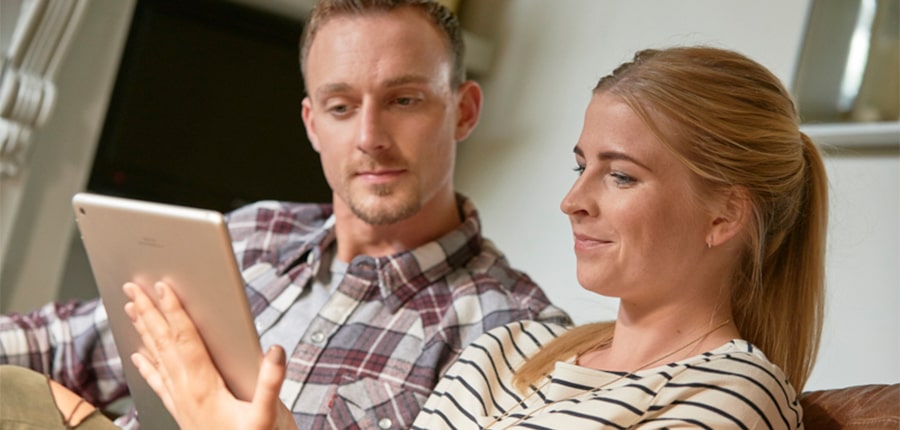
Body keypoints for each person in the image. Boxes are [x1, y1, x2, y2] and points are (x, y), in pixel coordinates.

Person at [0, 0, 569, 428]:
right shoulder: (253, 232)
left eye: (404, 100)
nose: (370, 137)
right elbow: (64, 343)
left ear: (463, 111)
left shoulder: (520, 338)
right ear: (312, 123)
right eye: (341, 107)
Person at [410, 46, 827, 428]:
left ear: (725, 215)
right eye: (581, 168)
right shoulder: (507, 349)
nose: (572, 201)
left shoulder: (731, 394)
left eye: (621, 176)